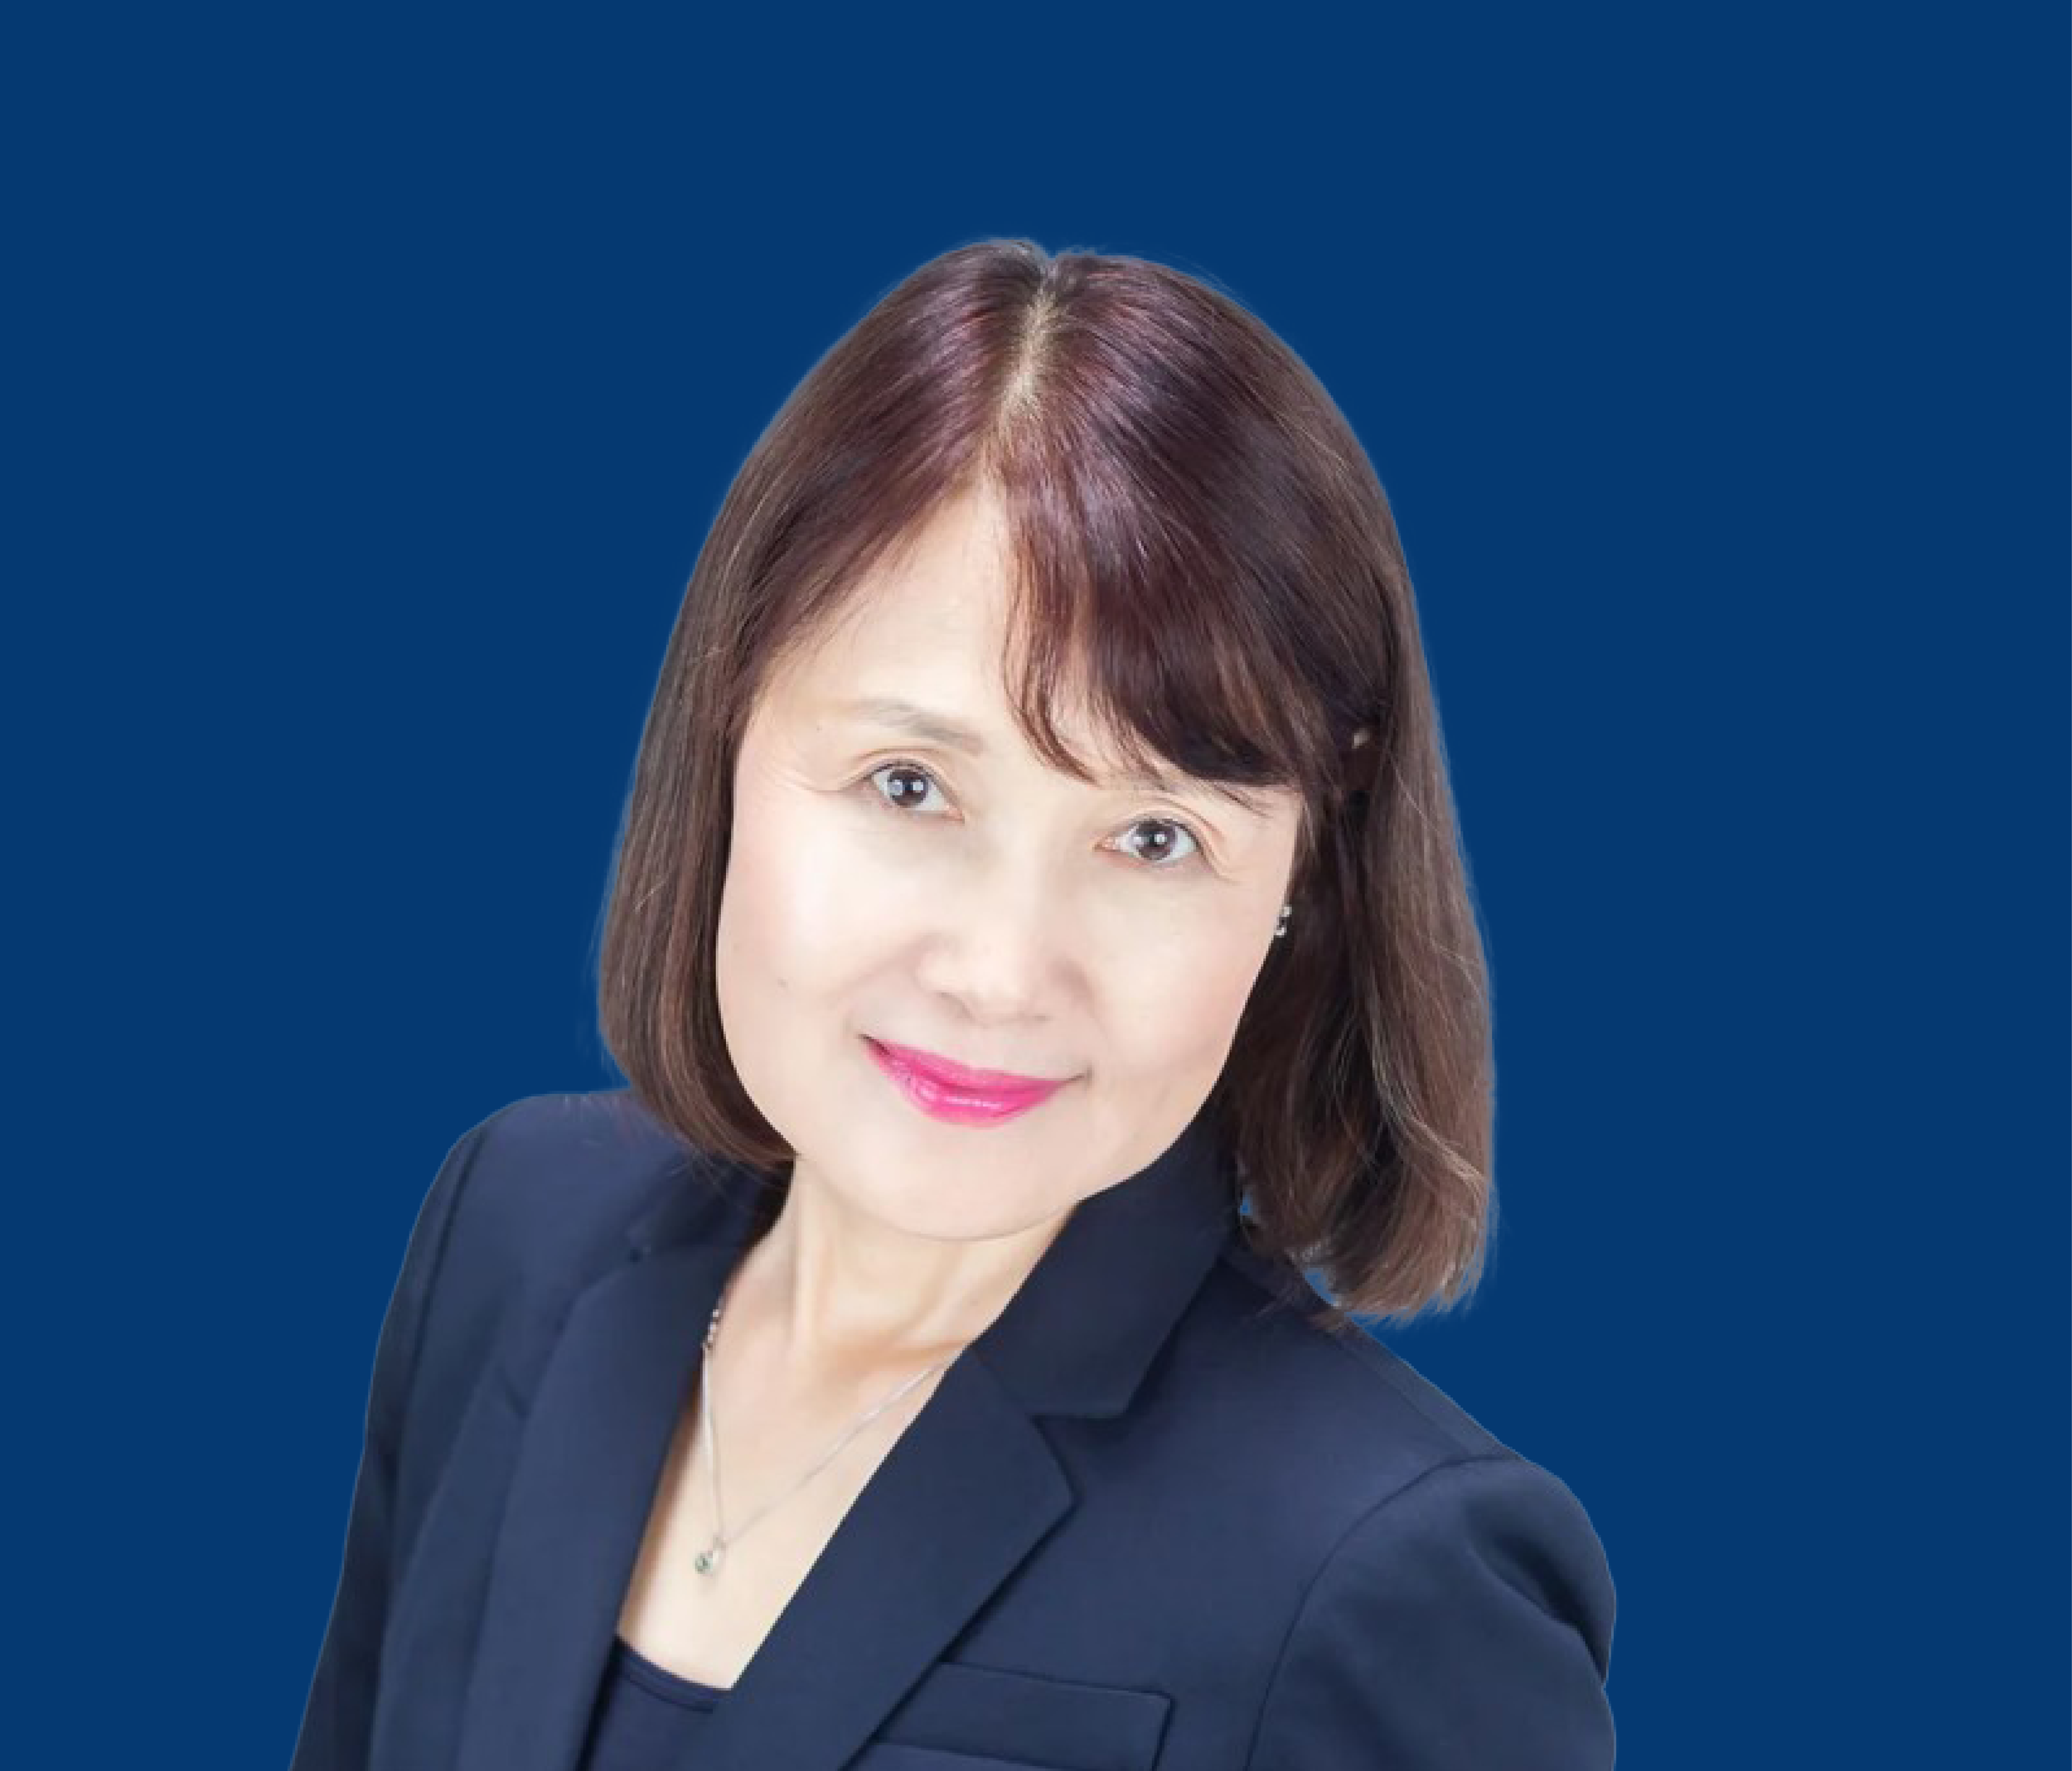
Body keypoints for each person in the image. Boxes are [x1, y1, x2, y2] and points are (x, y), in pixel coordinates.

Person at [290, 239, 1616, 1771]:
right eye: (909, 784)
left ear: (1301, 882)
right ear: (725, 729)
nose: (997, 969)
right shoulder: (508, 1237)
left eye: (1154, 836)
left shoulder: (1391, 1578)